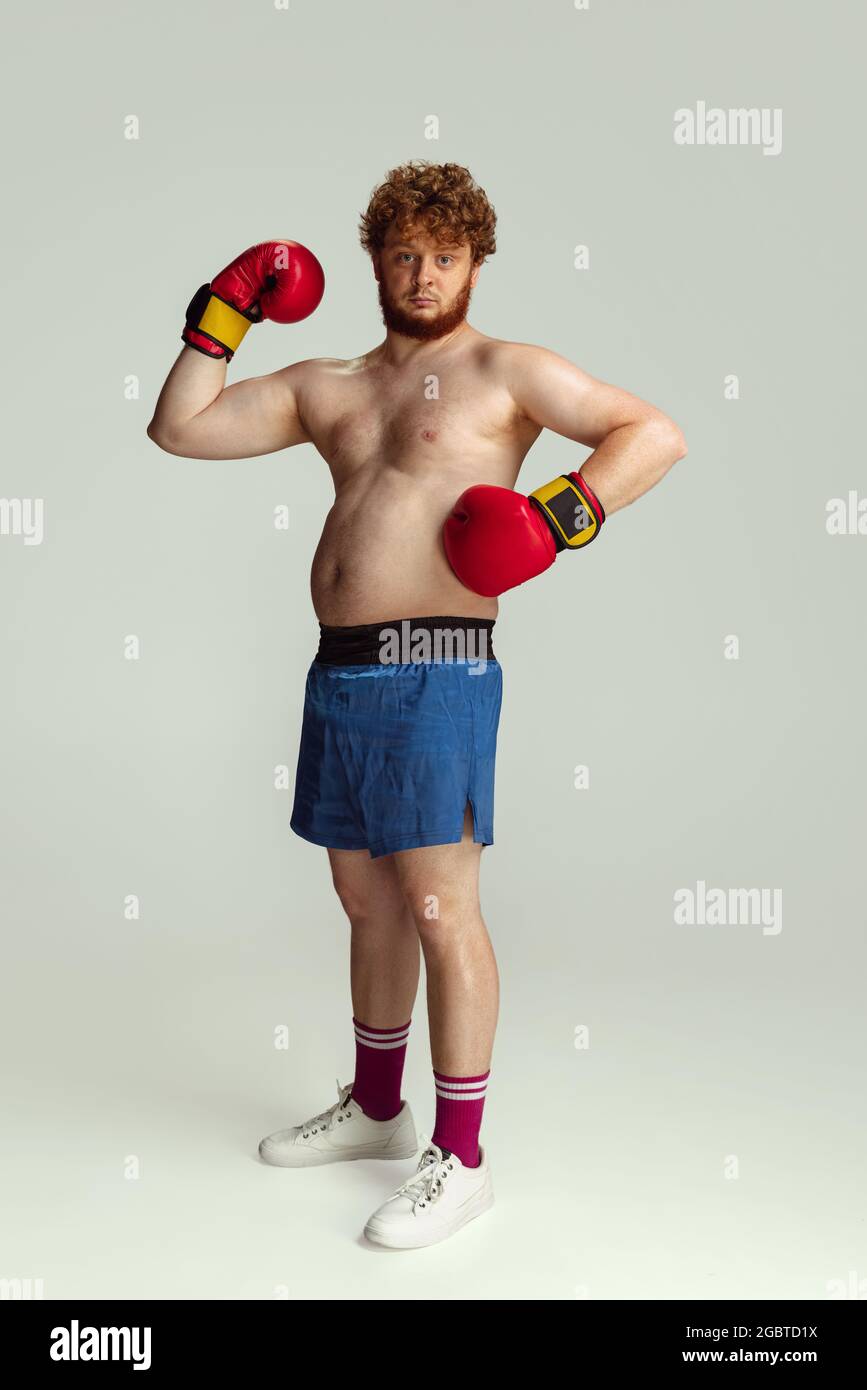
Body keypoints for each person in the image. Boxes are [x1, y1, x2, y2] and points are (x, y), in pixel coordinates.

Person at [147, 160, 687, 1250]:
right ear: (375, 263)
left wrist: (560, 516)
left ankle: (464, 1158)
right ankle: (378, 1108)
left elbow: (652, 433)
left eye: (446, 256)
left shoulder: (505, 369)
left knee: (441, 906)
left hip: (440, 668)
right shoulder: (332, 384)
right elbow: (182, 426)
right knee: (367, 903)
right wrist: (225, 306)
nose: (425, 274)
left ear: (476, 263)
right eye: (405, 254)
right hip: (339, 671)